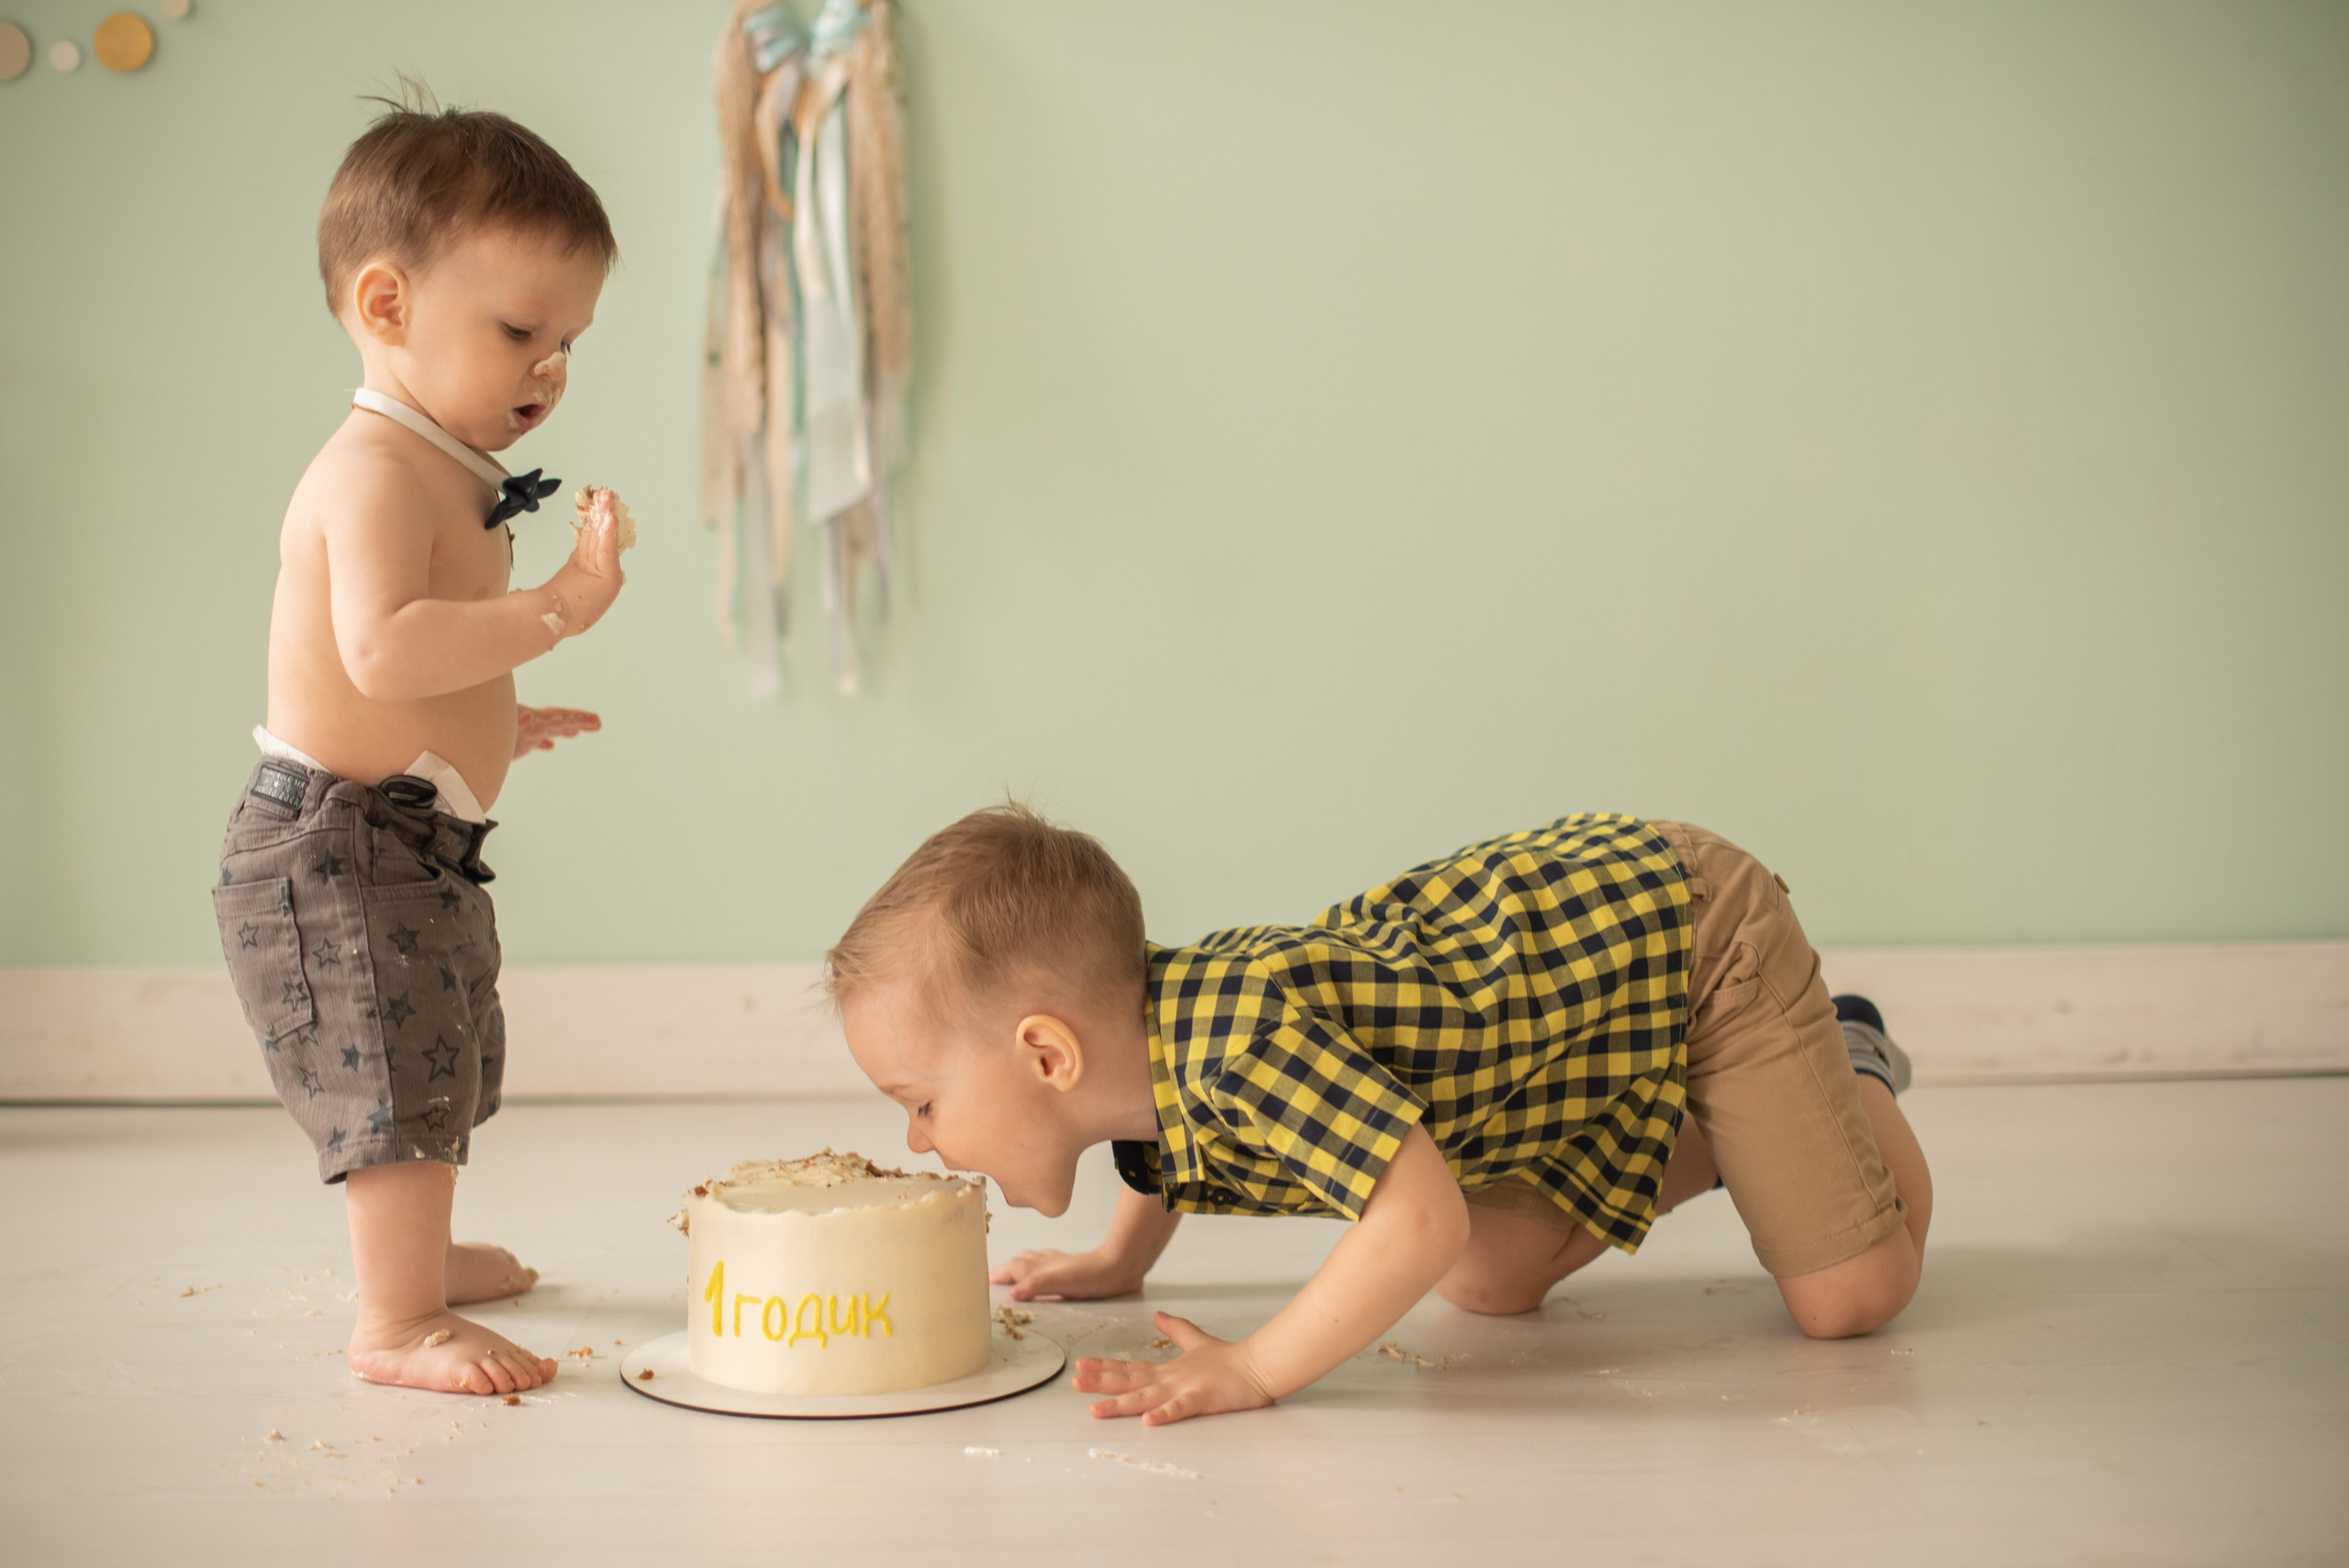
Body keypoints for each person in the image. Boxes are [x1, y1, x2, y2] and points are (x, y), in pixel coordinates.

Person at [829, 805, 1932, 1427]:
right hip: (1564, 1028)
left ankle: (1843, 1058)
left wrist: (1255, 1367)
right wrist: (1122, 1258)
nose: (917, 1139)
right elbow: (1157, 1145)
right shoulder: (1137, 1044)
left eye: (921, 1103)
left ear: (1045, 1052)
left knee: (1850, 1295)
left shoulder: (1240, 1041)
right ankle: (1743, 1123)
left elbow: (1411, 1222)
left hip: (1685, 931)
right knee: (1488, 1282)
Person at [210, 96, 626, 1396]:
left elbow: (409, 670)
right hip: (332, 839)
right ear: (387, 305)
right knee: (390, 1066)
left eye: (568, 342)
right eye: (520, 331)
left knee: (440, 1049)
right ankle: (394, 1319)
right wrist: (557, 609)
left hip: (400, 827)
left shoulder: (440, 466)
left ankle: (421, 1261)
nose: (549, 368)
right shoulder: (376, 473)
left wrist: (499, 715)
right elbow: (384, 647)